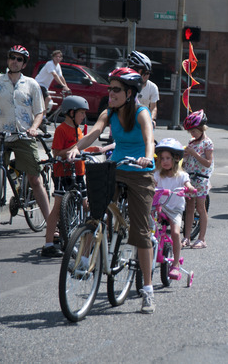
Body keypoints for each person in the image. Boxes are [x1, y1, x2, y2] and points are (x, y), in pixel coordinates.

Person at [66, 67, 157, 313]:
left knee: (140, 231)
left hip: (140, 173)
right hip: (116, 168)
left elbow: (149, 139)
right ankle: (85, 261)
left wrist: (148, 158)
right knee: (95, 210)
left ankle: (147, 289)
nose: (110, 93)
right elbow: (94, 132)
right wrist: (76, 148)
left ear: (129, 93)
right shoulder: (109, 113)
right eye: (109, 88)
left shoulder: (141, 112)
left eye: (115, 89)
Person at [0, 46, 53, 253]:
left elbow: (39, 112)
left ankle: (51, 223)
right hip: (1, 135)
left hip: (24, 135)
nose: (14, 61)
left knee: (35, 179)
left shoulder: (31, 84)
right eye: (12, 57)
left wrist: (33, 128)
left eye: (19, 59)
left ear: (24, 63)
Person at [44, 96, 90, 250]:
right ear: (71, 112)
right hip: (62, 172)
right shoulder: (61, 129)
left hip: (78, 172)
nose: (84, 116)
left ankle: (84, 238)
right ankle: (49, 243)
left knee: (85, 204)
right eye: (81, 113)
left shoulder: (79, 130)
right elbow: (57, 152)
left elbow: (83, 149)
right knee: (57, 207)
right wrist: (71, 151)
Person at [153, 138, 195, 280]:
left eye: (168, 158)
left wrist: (189, 188)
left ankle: (176, 264)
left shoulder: (181, 175)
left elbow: (187, 183)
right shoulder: (158, 174)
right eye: (162, 158)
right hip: (159, 207)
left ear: (176, 159)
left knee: (176, 233)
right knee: (150, 229)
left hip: (175, 209)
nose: (164, 161)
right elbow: (151, 182)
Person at [181, 110, 214, 249]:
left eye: (194, 131)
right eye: (190, 132)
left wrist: (194, 153)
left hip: (201, 180)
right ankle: (187, 237)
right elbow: (186, 161)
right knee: (189, 208)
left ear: (201, 128)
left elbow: (207, 162)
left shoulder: (207, 143)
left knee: (200, 208)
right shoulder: (191, 142)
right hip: (190, 178)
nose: (192, 134)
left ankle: (202, 239)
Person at [128, 50, 160, 128]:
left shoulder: (153, 87)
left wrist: (152, 119)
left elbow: (153, 107)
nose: (146, 76)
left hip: (144, 119)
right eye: (144, 73)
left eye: (148, 73)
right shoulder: (128, 85)